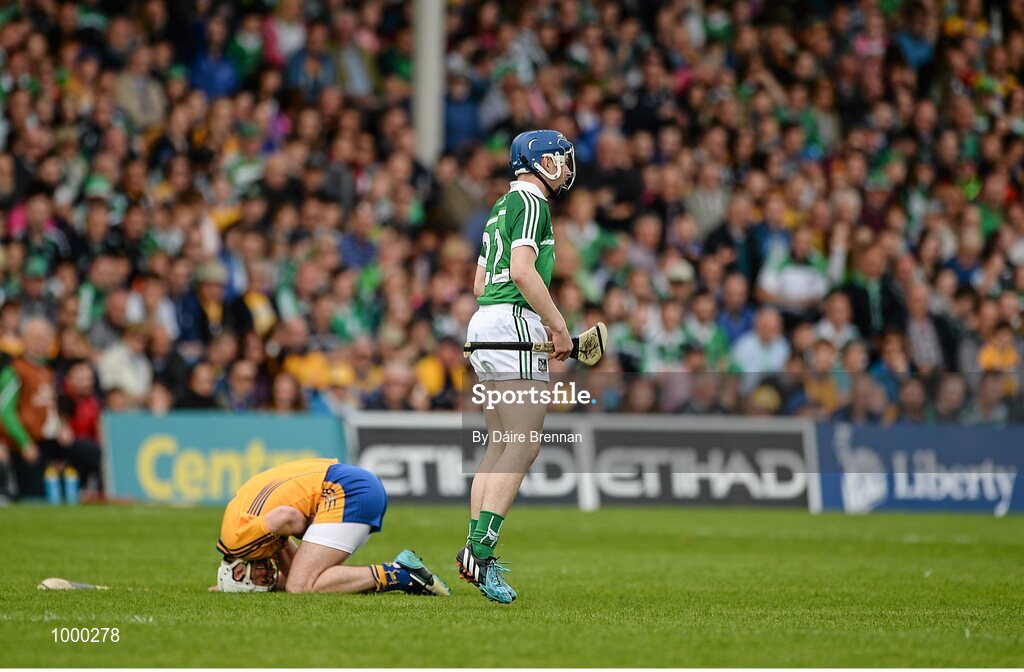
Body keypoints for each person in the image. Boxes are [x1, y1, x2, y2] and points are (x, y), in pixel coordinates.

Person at [459, 129, 576, 603]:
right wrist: (559, 327)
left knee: (500, 444)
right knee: (523, 447)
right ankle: (479, 551)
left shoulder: (500, 206)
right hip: (512, 322)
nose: (565, 168)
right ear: (539, 162)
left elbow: (479, 281)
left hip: (484, 323)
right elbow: (524, 272)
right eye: (559, 159)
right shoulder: (532, 204)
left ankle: (475, 549)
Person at [213, 457, 449, 596]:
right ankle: (404, 570)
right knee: (302, 577)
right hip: (351, 482)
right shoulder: (238, 531)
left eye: (255, 580)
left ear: (240, 570)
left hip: (344, 491)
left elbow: (288, 518)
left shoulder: (239, 542)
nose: (266, 579)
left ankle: (400, 574)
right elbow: (288, 555)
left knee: (299, 586)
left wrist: (310, 534)